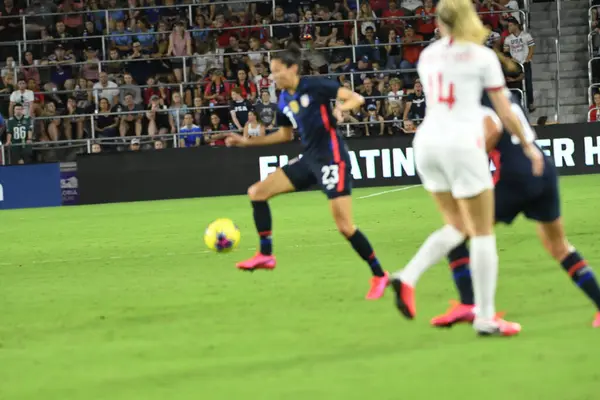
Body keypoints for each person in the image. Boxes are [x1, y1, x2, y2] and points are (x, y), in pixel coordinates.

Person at [388, 0, 543, 336]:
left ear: (439, 22)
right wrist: (528, 145)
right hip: (460, 142)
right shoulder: (481, 56)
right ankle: (485, 317)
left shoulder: (428, 55)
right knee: (482, 229)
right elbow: (504, 111)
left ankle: (408, 276)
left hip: (427, 142)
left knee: (457, 224)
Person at [225, 43, 389, 299]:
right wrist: (248, 142)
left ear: (293, 68)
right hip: (310, 159)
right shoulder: (283, 99)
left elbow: (356, 98)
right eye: (271, 72)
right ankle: (266, 255)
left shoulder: (314, 86)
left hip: (333, 159)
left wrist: (340, 109)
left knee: (345, 227)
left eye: (278, 71)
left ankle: (380, 275)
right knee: (256, 192)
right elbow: (284, 134)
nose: (274, 76)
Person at [431, 90, 600, 329]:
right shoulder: (501, 92)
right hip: (542, 168)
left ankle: (468, 305)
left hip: (515, 177)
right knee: (558, 246)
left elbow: (492, 130)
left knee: (457, 233)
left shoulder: (474, 95)